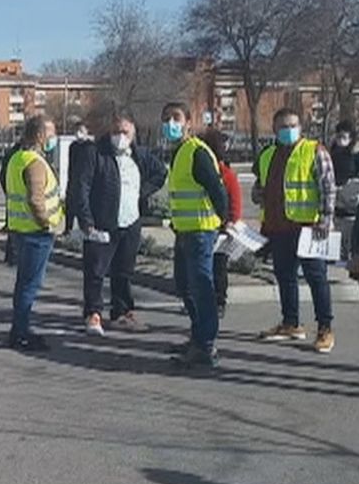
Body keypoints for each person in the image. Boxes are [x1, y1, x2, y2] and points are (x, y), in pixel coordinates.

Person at [70, 112, 167, 335]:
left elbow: (160, 173)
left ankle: (122, 311)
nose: (120, 136)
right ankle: (93, 313)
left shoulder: (140, 155)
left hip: (130, 220)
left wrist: (142, 192)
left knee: (124, 271)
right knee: (95, 271)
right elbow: (81, 187)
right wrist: (86, 220)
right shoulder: (95, 153)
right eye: (116, 132)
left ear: (133, 132)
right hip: (102, 221)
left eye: (125, 132)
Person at [252, 108, 336, 354]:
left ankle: (325, 328)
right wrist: (259, 195)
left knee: (316, 278)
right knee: (285, 276)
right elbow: (259, 187)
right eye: (283, 126)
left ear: (300, 127)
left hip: (309, 227)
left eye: (292, 125)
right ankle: (291, 323)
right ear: (274, 129)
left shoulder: (314, 151)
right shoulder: (268, 154)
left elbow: (328, 188)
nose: (288, 130)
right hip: (279, 227)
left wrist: (325, 220)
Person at [162, 102, 231, 370]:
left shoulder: (196, 152)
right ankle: (198, 335)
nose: (170, 123)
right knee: (185, 285)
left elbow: (216, 188)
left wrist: (224, 219)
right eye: (166, 119)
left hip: (201, 230)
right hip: (185, 230)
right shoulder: (179, 152)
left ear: (188, 122)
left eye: (176, 118)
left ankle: (206, 345)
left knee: (201, 287)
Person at [5, 115, 63, 351]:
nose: (53, 138)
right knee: (29, 285)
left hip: (20, 229)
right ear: (40, 135)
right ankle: (20, 332)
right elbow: (35, 199)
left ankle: (19, 329)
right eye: (51, 133)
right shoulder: (35, 163)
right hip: (36, 233)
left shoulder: (17, 158)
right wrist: (46, 223)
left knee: (24, 284)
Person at [199, 128, 240, 320]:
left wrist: (231, 222)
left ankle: (219, 301)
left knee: (219, 267)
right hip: (204, 225)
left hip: (222, 229)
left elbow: (235, 202)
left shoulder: (226, 174)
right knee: (204, 267)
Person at [328, 120, 359, 187]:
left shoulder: (354, 156)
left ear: (350, 139)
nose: (340, 140)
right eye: (338, 136)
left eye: (344, 137)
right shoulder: (331, 154)